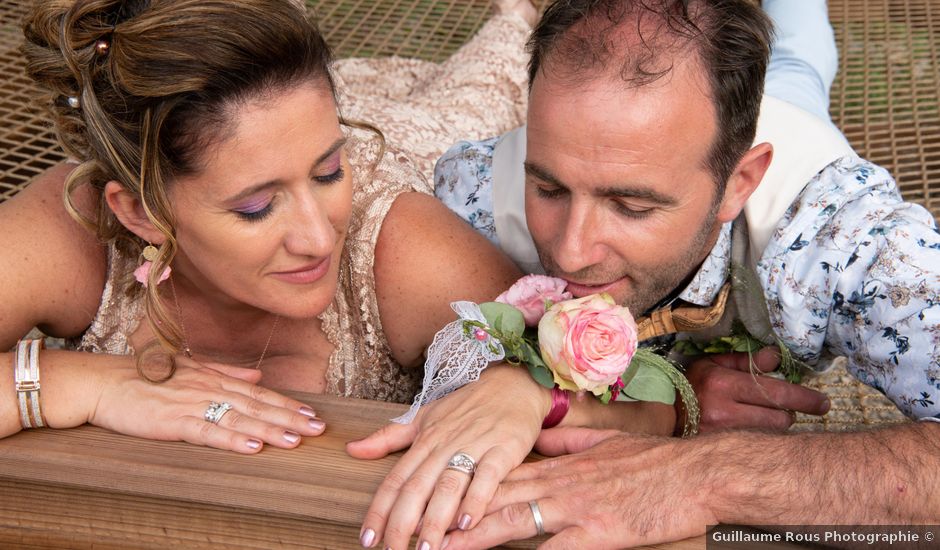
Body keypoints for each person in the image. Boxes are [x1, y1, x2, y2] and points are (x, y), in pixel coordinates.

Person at [3, 2, 677, 549]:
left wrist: (526, 394)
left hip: (418, 144)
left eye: (329, 171)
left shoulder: (401, 251)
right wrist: (72, 384)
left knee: (486, 88)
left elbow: (650, 403)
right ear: (142, 212)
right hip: (306, 127)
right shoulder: (79, 228)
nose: (320, 234)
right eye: (257, 207)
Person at [420, 0, 940, 547]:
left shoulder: (853, 243)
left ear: (739, 185)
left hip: (790, 131)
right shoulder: (475, 197)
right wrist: (670, 406)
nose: (571, 254)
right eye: (548, 189)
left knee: (801, 63)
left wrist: (712, 474)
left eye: (632, 207)